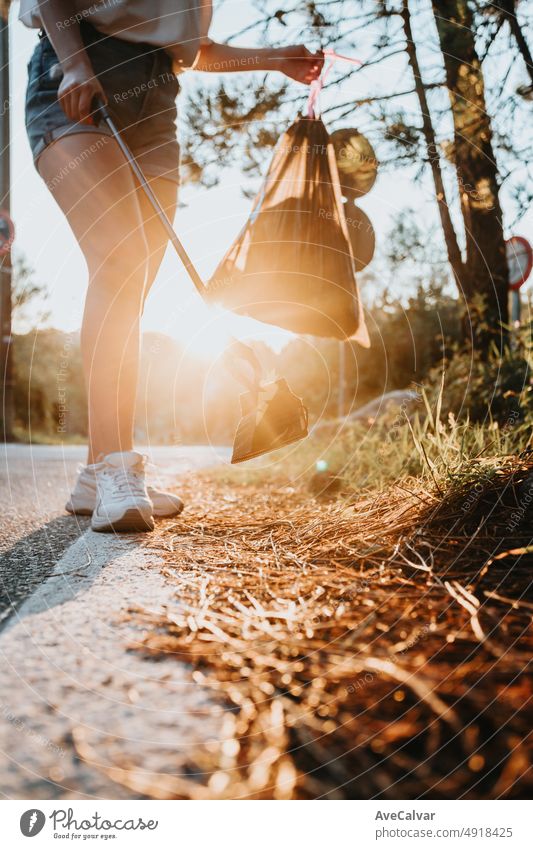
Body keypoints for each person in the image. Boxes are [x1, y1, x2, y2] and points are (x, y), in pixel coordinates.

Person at [21, 1, 323, 532]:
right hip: (78, 73)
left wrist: (276, 58)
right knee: (119, 261)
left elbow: (193, 49)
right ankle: (118, 466)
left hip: (158, 104)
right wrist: (74, 60)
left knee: (131, 285)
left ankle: (97, 473)